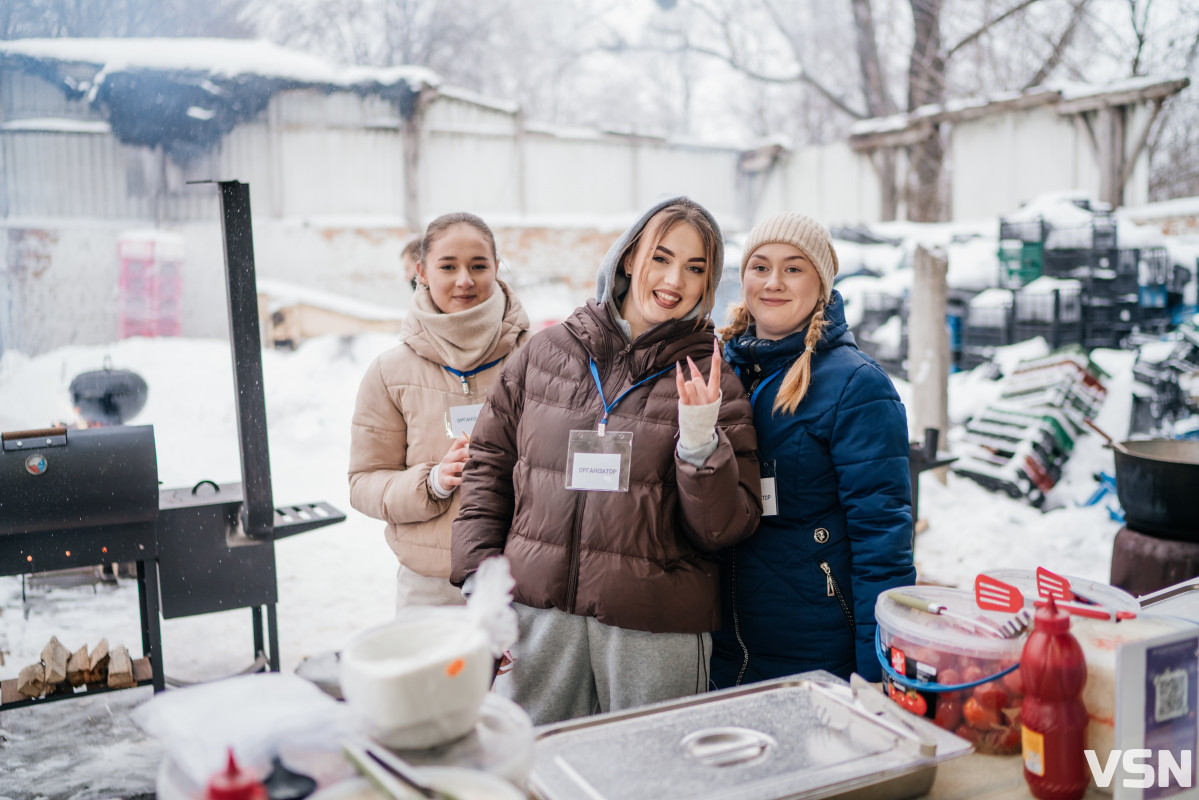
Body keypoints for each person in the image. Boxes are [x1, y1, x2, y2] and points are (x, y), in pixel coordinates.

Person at [451, 196, 762, 725]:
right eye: (661, 258)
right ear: (626, 259)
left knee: (648, 775)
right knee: (541, 769)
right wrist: (482, 583)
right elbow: (488, 468)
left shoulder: (713, 381)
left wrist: (699, 440)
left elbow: (722, 528)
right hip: (538, 618)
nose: (674, 280)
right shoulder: (545, 353)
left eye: (695, 268)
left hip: (653, 631)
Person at [711, 211, 915, 687]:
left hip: (815, 654)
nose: (773, 282)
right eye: (760, 267)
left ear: (821, 283)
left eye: (794, 268)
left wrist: (878, 672)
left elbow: (882, 544)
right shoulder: (721, 371)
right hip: (721, 650)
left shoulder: (857, 387)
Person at [350, 212, 530, 613]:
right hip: (431, 589)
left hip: (524, 581)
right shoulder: (389, 372)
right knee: (435, 680)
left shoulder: (539, 360)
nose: (464, 279)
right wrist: (431, 483)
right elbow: (362, 482)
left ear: (497, 270)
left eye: (478, 266)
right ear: (422, 272)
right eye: (448, 266)